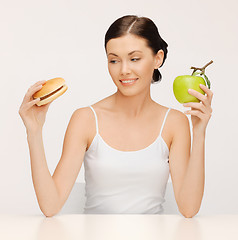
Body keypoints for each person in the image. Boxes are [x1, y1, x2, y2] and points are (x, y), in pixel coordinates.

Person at [18, 15, 213, 218]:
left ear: (158, 58)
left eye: (134, 59)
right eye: (114, 60)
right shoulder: (85, 119)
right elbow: (50, 206)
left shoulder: (174, 123)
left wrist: (199, 132)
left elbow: (189, 209)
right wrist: (34, 131)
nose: (124, 70)